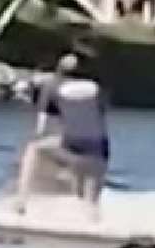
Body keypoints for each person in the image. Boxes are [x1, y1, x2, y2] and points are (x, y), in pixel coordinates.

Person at [13, 53, 110, 219]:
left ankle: (20, 202)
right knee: (89, 199)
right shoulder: (96, 88)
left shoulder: (51, 87)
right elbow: (96, 115)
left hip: (72, 142)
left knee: (34, 149)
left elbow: (41, 127)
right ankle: (94, 226)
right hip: (100, 147)